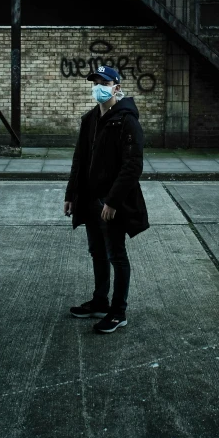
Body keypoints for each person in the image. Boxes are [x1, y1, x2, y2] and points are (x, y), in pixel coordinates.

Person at [63, 64, 149, 334]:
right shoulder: (90, 119)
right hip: (89, 200)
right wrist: (71, 194)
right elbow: (80, 160)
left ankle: (118, 311)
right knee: (97, 252)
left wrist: (112, 201)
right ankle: (100, 302)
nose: (99, 86)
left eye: (105, 82)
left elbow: (132, 166)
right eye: (95, 81)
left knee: (116, 255)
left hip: (112, 203)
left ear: (117, 87)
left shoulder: (126, 120)